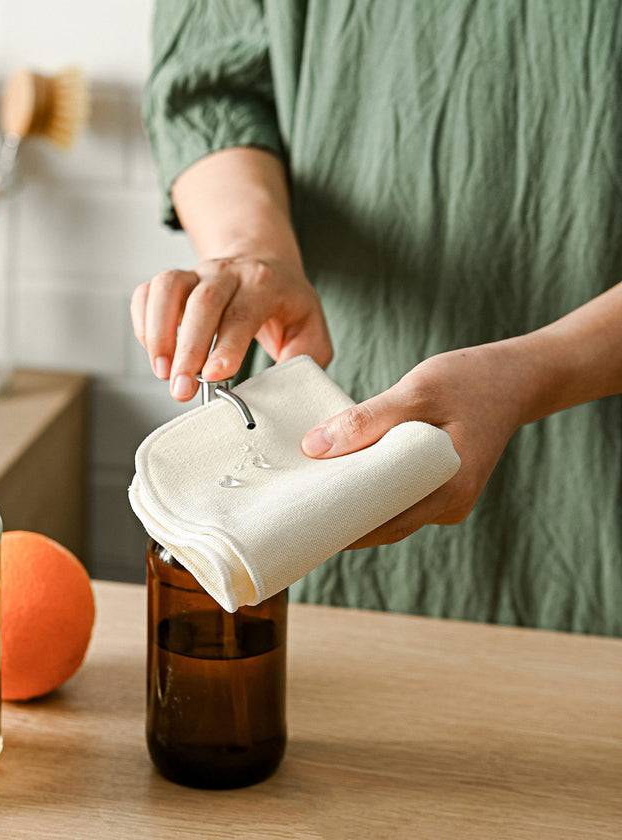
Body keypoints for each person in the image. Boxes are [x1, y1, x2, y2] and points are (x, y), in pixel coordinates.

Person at [131, 1, 622, 635]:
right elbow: (212, 79)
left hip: (596, 465)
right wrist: (254, 250)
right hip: (340, 403)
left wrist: (531, 372)